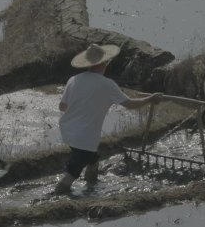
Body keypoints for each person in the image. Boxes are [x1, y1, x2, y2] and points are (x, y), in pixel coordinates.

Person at [55, 43, 162, 194]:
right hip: (84, 137)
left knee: (93, 159)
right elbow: (129, 104)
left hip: (69, 131)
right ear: (105, 63)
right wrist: (150, 99)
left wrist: (83, 105)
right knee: (72, 173)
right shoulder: (107, 84)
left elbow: (62, 107)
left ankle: (91, 184)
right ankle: (56, 197)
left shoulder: (73, 79)